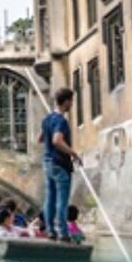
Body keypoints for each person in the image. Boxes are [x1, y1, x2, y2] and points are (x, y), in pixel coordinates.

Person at [40, 88, 81, 242]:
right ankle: (63, 233)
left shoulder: (47, 119)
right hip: (60, 164)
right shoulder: (61, 120)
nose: (72, 104)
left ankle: (50, 231)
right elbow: (56, 140)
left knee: (50, 199)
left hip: (47, 163)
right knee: (61, 201)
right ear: (66, 102)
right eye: (71, 101)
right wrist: (73, 154)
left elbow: (41, 137)